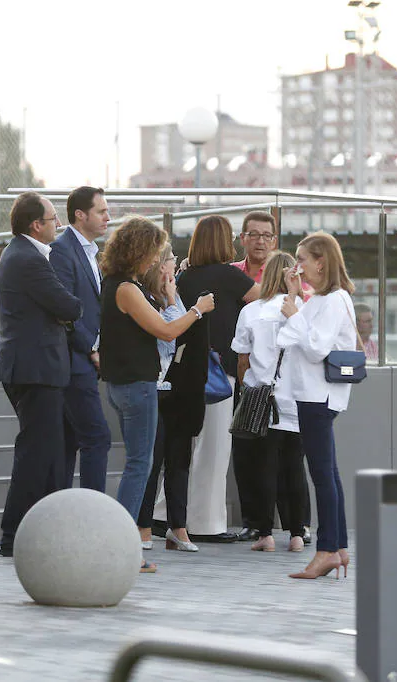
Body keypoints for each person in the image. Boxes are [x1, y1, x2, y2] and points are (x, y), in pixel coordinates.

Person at [99, 216, 214, 572]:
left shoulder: (117, 284)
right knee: (139, 466)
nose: (154, 260)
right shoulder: (126, 289)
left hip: (125, 385)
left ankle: (124, 543)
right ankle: (124, 547)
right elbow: (166, 332)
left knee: (138, 464)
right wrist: (197, 310)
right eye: (151, 252)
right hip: (137, 386)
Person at [156, 215, 258, 543]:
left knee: (183, 449)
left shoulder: (184, 276)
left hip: (184, 370)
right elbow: (265, 300)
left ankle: (163, 514)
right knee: (214, 449)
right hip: (218, 373)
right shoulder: (230, 276)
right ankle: (205, 522)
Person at [0, 192, 83, 558]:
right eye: (52, 219)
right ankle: (14, 534)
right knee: (36, 452)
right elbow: (70, 306)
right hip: (35, 370)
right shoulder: (28, 259)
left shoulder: (25, 254)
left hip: (38, 367)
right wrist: (69, 307)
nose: (58, 225)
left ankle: (45, 523)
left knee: (62, 440)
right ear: (36, 225)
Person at [277, 231, 358, 579]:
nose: (298, 266)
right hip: (311, 393)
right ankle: (337, 548)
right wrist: (295, 299)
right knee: (329, 473)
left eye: (303, 259)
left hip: (319, 395)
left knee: (322, 474)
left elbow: (315, 349)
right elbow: (286, 337)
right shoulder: (320, 300)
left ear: (321, 261)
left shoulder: (334, 300)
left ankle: (326, 549)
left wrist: (295, 311)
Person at [231, 211, 312, 544]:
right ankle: (297, 531)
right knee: (294, 467)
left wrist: (247, 387)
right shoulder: (303, 309)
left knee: (261, 466)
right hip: (296, 399)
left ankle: (263, 532)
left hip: (260, 397)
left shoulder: (251, 311)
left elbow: (242, 359)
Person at [136, 243, 201, 553]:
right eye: (171, 261)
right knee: (152, 461)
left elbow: (180, 333)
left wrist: (176, 300)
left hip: (177, 390)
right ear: (160, 265)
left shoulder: (170, 297)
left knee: (179, 461)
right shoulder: (145, 298)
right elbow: (170, 334)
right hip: (153, 388)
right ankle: (143, 527)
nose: (175, 267)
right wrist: (187, 307)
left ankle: (179, 527)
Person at [50, 186, 111, 492]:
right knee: (97, 438)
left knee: (68, 443)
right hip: (74, 362)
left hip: (83, 361)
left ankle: (65, 518)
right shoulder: (62, 249)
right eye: (101, 211)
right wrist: (92, 348)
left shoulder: (90, 251)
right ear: (79, 214)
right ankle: (93, 518)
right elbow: (65, 310)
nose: (108, 218)